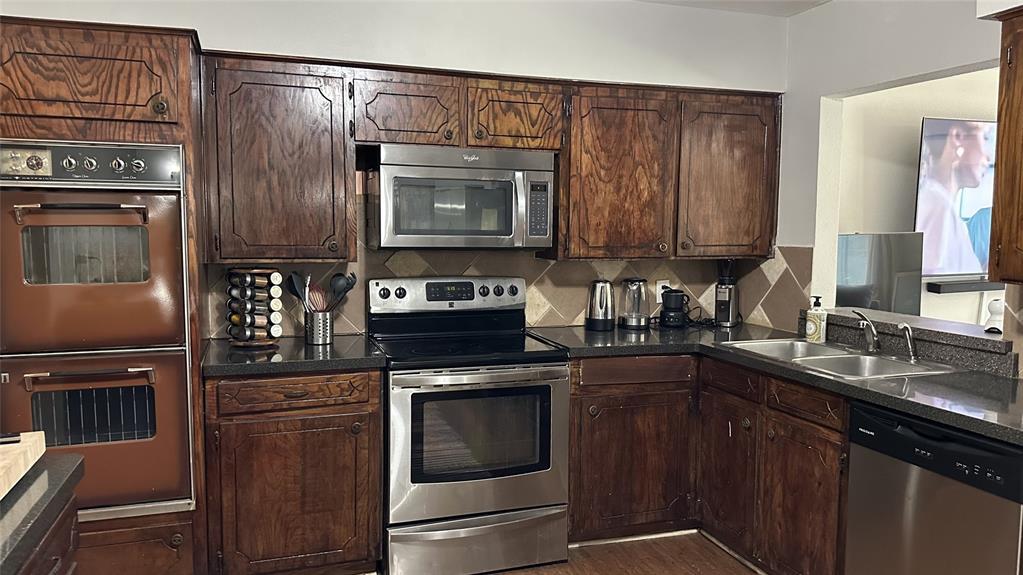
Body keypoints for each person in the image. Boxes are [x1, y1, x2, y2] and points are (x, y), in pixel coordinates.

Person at [916, 119, 993, 276]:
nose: (988, 157)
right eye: (985, 139)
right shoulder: (937, 208)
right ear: (957, 137)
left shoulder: (945, 209)